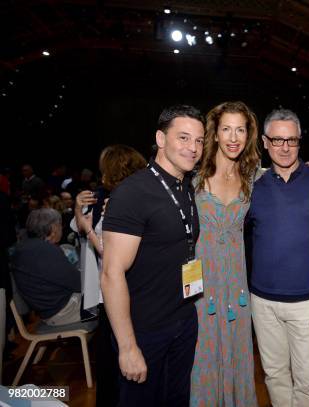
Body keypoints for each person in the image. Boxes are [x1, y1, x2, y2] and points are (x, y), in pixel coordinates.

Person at [102, 105, 204, 406]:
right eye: (184, 138)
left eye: (199, 140)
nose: (193, 148)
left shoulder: (185, 187)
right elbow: (111, 274)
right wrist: (127, 346)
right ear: (161, 139)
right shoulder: (133, 192)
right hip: (145, 331)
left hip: (183, 321)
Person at [246, 109, 309, 406]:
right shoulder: (251, 187)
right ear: (266, 143)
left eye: (291, 140)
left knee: (308, 379)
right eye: (278, 140)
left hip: (306, 302)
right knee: (274, 374)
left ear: (299, 142)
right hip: (262, 301)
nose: (284, 147)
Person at [191, 101, 260, 406]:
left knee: (237, 351)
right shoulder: (192, 179)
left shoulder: (252, 179)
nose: (233, 137)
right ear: (215, 134)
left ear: (248, 135)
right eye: (226, 129)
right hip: (199, 285)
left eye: (240, 130)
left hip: (236, 287)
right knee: (201, 355)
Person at [73, 144, 146, 407]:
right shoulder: (112, 198)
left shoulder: (122, 202)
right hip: (117, 295)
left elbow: (109, 252)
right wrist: (78, 211)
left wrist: (88, 230)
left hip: (121, 295)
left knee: (117, 365)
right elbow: (82, 226)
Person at [11, 208, 83, 326]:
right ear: (54, 228)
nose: (62, 229)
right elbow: (79, 284)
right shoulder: (45, 251)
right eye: (61, 225)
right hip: (61, 312)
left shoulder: (24, 247)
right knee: (109, 298)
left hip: (47, 310)